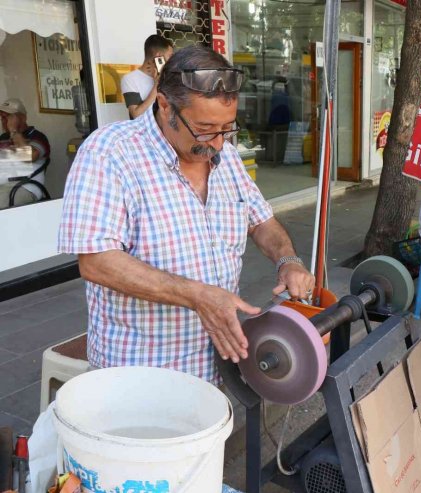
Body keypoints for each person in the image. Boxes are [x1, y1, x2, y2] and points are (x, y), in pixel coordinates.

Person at [58, 46, 315, 385]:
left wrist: (288, 260)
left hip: (218, 364)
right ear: (165, 106)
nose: (219, 143)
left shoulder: (228, 157)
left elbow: (261, 221)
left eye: (227, 128)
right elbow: (96, 261)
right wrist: (198, 296)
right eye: (205, 128)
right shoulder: (109, 152)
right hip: (142, 372)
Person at [0, 98, 51, 208]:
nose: (4, 121)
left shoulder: (37, 137)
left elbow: (29, 156)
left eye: (8, 116)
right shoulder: (2, 138)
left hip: (24, 186)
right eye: (2, 117)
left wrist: (14, 132)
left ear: (22, 118)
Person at [121, 34, 174, 119]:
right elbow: (136, 115)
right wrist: (157, 85)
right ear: (158, 56)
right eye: (170, 56)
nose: (172, 60)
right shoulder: (130, 79)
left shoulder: (169, 77)